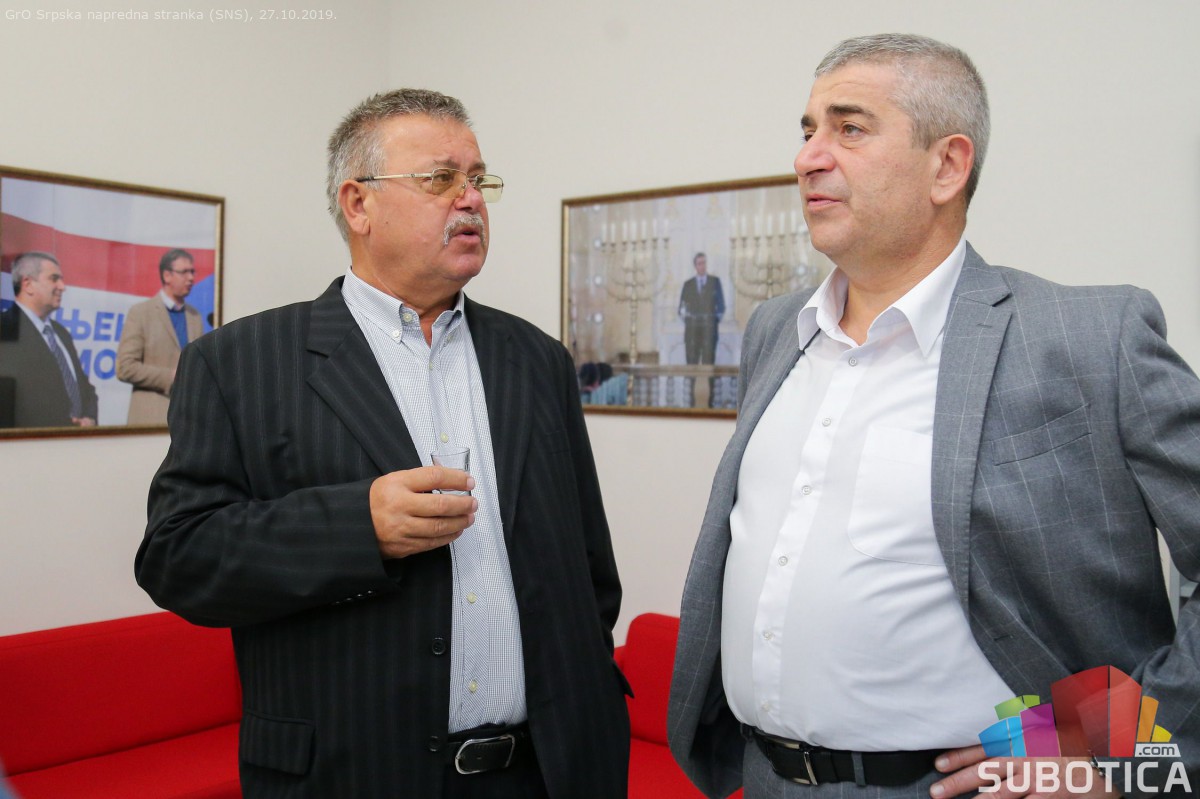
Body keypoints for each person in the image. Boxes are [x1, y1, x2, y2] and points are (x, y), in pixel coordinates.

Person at [668, 33, 1200, 799]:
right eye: (808, 130)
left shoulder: (1090, 337)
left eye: (850, 128)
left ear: (947, 166)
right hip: (763, 776)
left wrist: (1117, 756)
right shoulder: (775, 330)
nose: (808, 157)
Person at [134, 89, 629, 798]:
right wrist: (356, 527)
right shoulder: (239, 363)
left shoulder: (537, 359)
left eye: (478, 179)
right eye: (440, 178)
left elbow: (588, 568)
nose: (470, 199)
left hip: (548, 771)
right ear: (358, 204)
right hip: (355, 773)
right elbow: (178, 557)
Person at [0, 251, 98, 428]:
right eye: (54, 279)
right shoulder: (5, 329)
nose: (62, 286)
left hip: (77, 440)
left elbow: (86, 389)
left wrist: (89, 420)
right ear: (28, 284)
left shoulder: (61, 333)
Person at [116, 248, 203, 425]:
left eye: (192, 272)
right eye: (184, 272)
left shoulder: (195, 316)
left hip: (188, 419)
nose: (191, 278)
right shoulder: (141, 313)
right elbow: (125, 367)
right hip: (150, 419)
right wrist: (170, 377)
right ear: (167, 275)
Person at [679, 252, 725, 364]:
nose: (702, 266)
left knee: (708, 364)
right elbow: (681, 309)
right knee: (692, 364)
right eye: (699, 263)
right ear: (695, 266)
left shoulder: (715, 282)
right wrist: (689, 320)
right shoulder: (688, 285)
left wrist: (713, 320)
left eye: (704, 263)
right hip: (692, 332)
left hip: (709, 331)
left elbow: (721, 306)